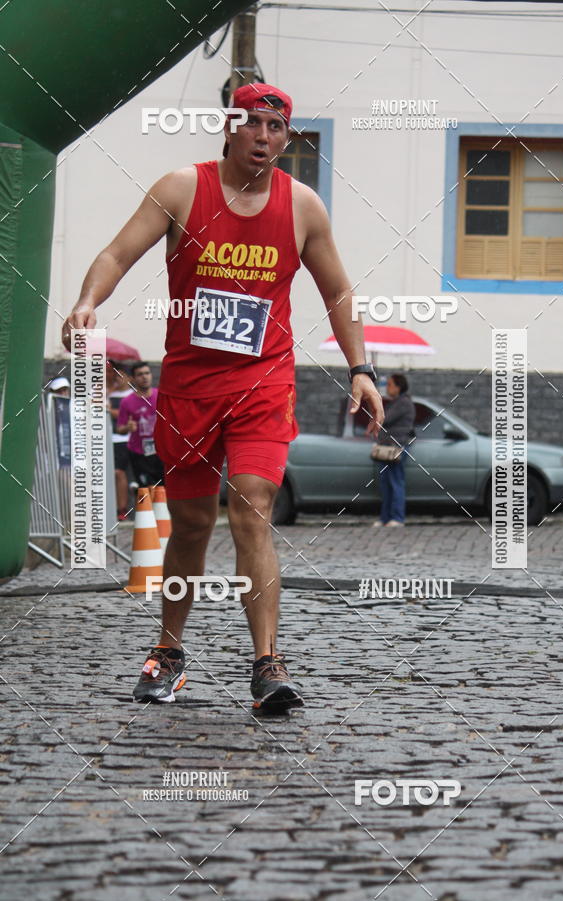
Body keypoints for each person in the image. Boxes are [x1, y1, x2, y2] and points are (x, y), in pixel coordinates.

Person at [61, 82, 384, 712]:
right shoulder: (183, 188)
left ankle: (267, 666)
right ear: (230, 128)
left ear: (287, 139)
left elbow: (338, 292)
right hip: (188, 386)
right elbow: (116, 252)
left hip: (264, 382)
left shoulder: (303, 207)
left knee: (253, 506)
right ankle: (169, 652)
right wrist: (86, 302)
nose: (265, 137)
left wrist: (361, 368)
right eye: (253, 124)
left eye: (277, 128)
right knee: (190, 527)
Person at [375, 373, 415, 528]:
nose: (388, 388)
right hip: (388, 446)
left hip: (397, 446)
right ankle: (385, 518)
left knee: (395, 481)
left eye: (390, 384)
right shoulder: (396, 402)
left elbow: (385, 418)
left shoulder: (403, 403)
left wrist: (377, 401)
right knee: (385, 483)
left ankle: (397, 518)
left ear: (399, 387)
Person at [116, 362, 164, 489]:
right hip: (138, 453)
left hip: (161, 451)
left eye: (147, 373)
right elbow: (120, 428)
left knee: (163, 490)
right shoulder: (127, 402)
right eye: (140, 374)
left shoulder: (161, 396)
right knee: (145, 489)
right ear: (133, 378)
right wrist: (128, 427)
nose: (144, 377)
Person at [106, 360, 134, 520]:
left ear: (129, 378)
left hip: (124, 439)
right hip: (109, 437)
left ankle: (121, 509)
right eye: (116, 375)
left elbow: (129, 417)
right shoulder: (111, 394)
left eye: (122, 376)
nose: (118, 378)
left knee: (119, 473)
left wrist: (111, 411)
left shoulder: (131, 396)